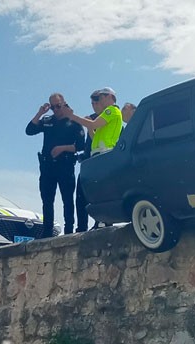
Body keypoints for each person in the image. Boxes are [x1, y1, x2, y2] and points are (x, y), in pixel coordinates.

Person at [61, 87, 134, 230]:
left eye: (101, 97)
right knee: (96, 191)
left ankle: (104, 221)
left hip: (104, 155)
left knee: (102, 191)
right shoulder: (106, 115)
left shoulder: (111, 110)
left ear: (110, 97)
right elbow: (95, 134)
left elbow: (93, 124)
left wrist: (72, 116)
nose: (99, 100)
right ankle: (101, 221)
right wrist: (89, 127)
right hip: (99, 155)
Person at [25, 93, 86, 238]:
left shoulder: (74, 122)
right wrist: (40, 113)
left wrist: (63, 148)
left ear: (64, 104)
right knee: (47, 200)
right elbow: (29, 130)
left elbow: (81, 145)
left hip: (65, 165)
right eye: (53, 107)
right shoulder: (47, 120)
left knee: (67, 199)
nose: (56, 110)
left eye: (58, 106)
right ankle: (47, 232)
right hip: (47, 167)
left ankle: (69, 231)